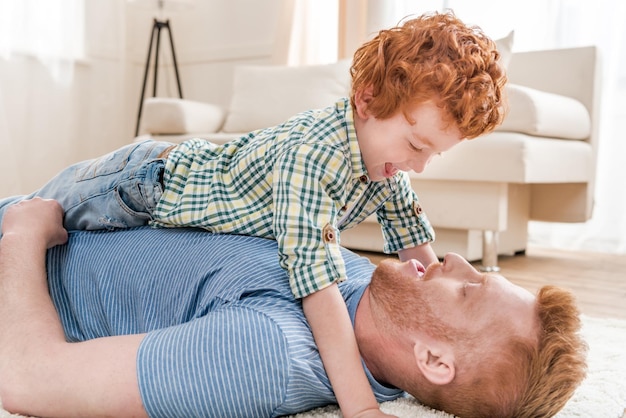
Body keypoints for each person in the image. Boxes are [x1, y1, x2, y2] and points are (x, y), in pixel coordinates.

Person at [0, 11, 507, 417]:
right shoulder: (313, 157)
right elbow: (316, 285)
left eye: (433, 155)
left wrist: (436, 302)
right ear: (367, 100)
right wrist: (359, 406)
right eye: (416, 143)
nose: (418, 164)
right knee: (36, 216)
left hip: (194, 211)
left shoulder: (388, 167)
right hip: (139, 186)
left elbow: (418, 250)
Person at [0, 198, 587, 418]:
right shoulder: (361, 285)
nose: (453, 260)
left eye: (466, 290)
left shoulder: (269, 354)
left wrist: (22, 235)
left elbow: (27, 378)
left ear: (434, 360)